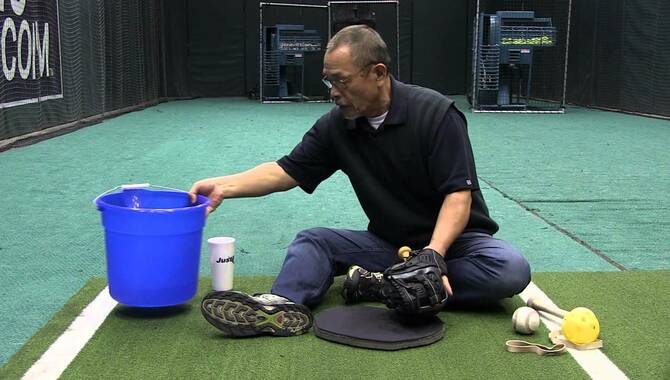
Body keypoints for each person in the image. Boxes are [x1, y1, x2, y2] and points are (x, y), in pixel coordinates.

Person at [191, 25, 530, 337]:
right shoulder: (337, 126)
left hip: (457, 245)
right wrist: (223, 186)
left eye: (341, 81)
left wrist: (433, 255)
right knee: (314, 240)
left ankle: (381, 286)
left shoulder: (435, 114)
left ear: (378, 73)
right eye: (328, 81)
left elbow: (458, 195)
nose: (333, 93)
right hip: (391, 245)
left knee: (509, 269)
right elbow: (285, 171)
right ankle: (279, 306)